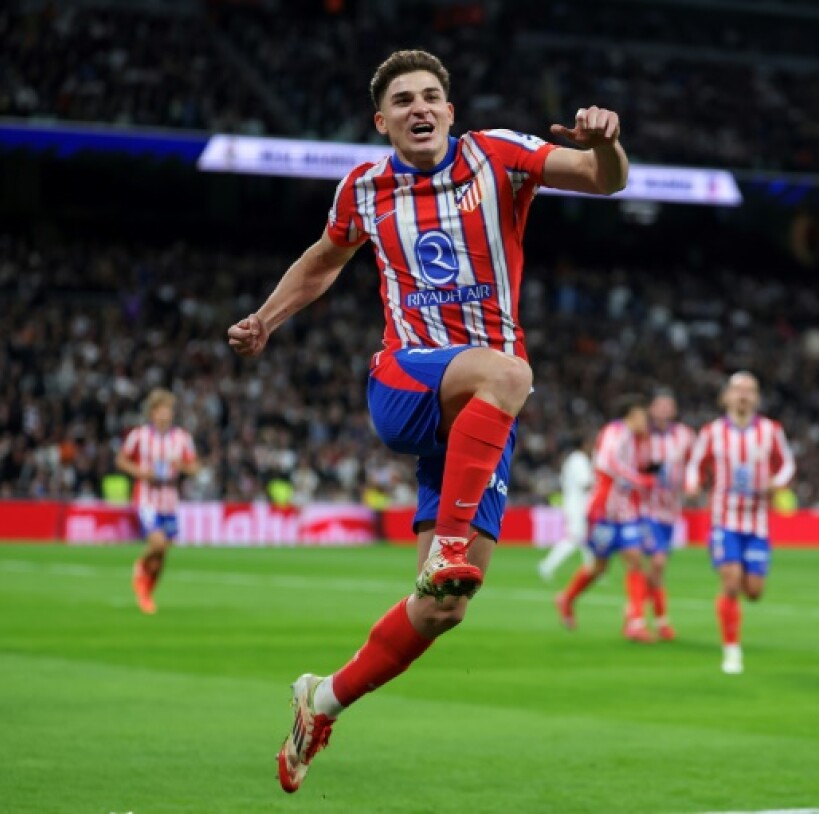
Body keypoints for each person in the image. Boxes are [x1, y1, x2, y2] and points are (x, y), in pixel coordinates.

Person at [226, 49, 628, 793]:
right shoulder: (365, 188)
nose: (419, 108)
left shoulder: (498, 158)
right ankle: (448, 546)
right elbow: (322, 261)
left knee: (440, 609)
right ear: (382, 122)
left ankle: (321, 701)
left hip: (482, 413)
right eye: (403, 100)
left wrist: (604, 142)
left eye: (431, 96)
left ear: (450, 109)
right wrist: (267, 319)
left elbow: (604, 180)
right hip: (406, 380)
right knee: (511, 372)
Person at [685, 372, 796, 674]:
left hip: (757, 523)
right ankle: (731, 650)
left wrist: (778, 482)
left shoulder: (771, 431)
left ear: (757, 398)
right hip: (724, 520)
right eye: (738, 390)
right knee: (731, 582)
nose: (744, 395)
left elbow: (787, 463)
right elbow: (696, 464)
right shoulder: (712, 432)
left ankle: (732, 625)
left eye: (750, 390)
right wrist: (693, 483)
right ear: (726, 397)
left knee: (754, 591)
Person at [554, 396, 657, 642]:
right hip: (603, 512)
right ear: (632, 415)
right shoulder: (615, 432)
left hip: (625, 512)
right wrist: (638, 479)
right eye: (643, 416)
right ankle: (567, 599)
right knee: (599, 567)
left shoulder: (633, 439)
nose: (646, 421)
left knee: (634, 561)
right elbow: (606, 462)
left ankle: (635, 622)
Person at [114, 388, 199, 614]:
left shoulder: (182, 438)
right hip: (147, 497)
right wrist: (141, 472)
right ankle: (140, 566)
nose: (165, 415)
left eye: (168, 410)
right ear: (152, 413)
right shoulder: (139, 436)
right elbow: (121, 461)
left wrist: (180, 465)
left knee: (162, 553)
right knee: (157, 543)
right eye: (161, 410)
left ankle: (146, 594)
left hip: (170, 498)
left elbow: (195, 467)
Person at [640, 390, 694, 641]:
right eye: (659, 405)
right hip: (645, 508)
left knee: (658, 570)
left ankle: (649, 616)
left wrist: (692, 483)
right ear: (651, 408)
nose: (663, 410)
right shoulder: (642, 435)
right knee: (657, 562)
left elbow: (694, 464)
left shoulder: (685, 435)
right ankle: (651, 618)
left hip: (671, 512)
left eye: (667, 405)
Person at [538, 434, 595, 582]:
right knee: (574, 538)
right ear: (583, 444)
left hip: (574, 502)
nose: (592, 446)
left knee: (586, 539)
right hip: (577, 505)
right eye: (590, 443)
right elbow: (585, 484)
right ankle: (546, 565)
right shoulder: (579, 460)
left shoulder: (572, 459)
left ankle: (593, 570)